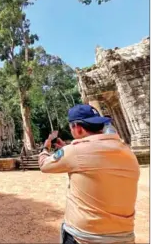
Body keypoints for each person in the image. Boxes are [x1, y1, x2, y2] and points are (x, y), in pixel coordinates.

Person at [38, 104, 140, 244]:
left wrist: (46, 147)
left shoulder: (74, 152)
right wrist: (67, 149)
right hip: (124, 236)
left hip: (83, 237)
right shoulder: (127, 151)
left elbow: (44, 164)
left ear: (77, 128)